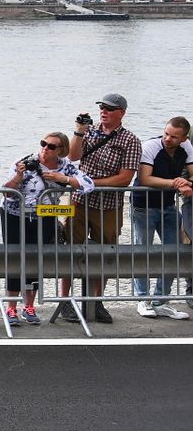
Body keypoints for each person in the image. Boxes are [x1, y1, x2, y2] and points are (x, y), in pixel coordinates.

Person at [58, 93, 142, 325]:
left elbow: (124, 179)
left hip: (109, 206)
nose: (104, 111)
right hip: (79, 201)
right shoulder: (90, 131)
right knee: (70, 250)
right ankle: (64, 300)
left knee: (105, 253)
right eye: (102, 107)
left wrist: (91, 183)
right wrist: (78, 130)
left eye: (109, 108)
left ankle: (96, 301)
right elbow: (73, 156)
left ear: (121, 113)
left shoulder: (130, 140)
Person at [0, 131, 93, 325]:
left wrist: (63, 179)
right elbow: (7, 191)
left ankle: (29, 306)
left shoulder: (65, 166)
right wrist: (18, 176)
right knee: (16, 258)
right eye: (43, 143)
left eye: (51, 146)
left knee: (35, 260)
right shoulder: (26, 162)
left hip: (45, 216)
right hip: (15, 215)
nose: (45, 148)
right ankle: (11, 308)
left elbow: (88, 185)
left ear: (61, 150)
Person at [130, 115, 193, 320]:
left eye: (174, 136)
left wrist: (185, 183)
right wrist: (177, 183)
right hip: (144, 206)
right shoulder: (150, 146)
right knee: (143, 252)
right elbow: (145, 178)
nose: (168, 138)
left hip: (168, 205)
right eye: (166, 133)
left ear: (184, 138)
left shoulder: (187, 148)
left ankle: (160, 301)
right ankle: (143, 300)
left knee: (174, 252)